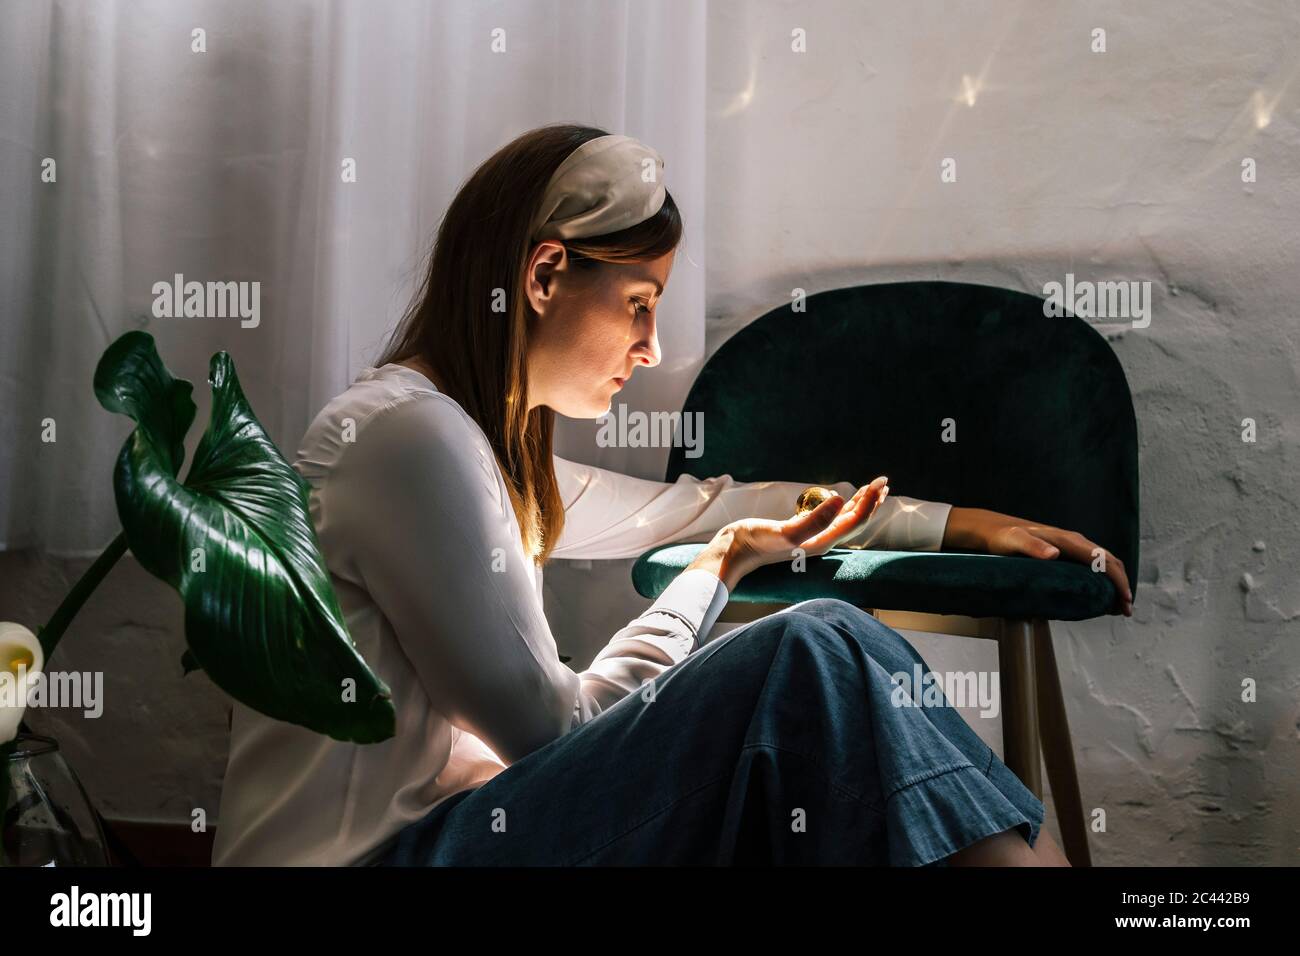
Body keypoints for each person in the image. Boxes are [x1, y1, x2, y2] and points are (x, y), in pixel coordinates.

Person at [211, 124, 1132, 867]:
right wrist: (718, 572)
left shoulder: (467, 447)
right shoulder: (412, 438)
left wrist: (947, 525)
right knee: (817, 645)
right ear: (542, 276)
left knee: (823, 675)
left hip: (449, 835)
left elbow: (703, 506)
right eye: (639, 303)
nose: (649, 347)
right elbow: (554, 730)